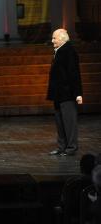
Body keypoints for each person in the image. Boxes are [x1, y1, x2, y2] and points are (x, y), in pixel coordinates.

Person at [47, 28, 83, 156]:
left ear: (62, 39)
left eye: (54, 38)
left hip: (67, 94)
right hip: (58, 94)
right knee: (60, 122)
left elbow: (74, 73)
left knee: (69, 122)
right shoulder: (59, 50)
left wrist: (78, 94)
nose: (52, 41)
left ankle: (71, 148)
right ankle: (62, 147)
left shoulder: (69, 51)